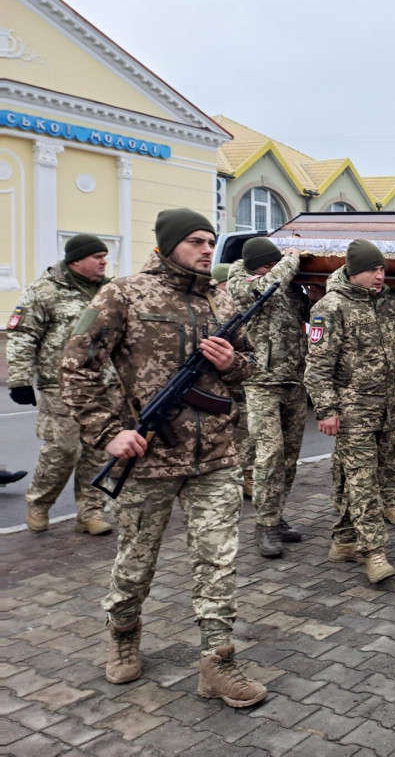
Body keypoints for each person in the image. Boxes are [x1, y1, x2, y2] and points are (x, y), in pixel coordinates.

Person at [60, 208, 267, 707]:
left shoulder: (221, 299)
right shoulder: (124, 294)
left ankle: (217, 662)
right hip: (149, 458)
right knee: (135, 562)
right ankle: (124, 632)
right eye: (196, 240)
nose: (205, 249)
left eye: (211, 241)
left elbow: (253, 364)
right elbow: (76, 366)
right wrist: (108, 433)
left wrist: (231, 363)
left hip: (215, 454)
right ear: (168, 243)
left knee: (219, 562)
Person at [304, 239, 395, 582]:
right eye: (373, 270)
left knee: (363, 475)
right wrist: (326, 409)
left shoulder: (389, 299)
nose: (380, 275)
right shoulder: (331, 307)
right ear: (353, 270)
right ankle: (373, 551)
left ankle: (344, 540)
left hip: (388, 407)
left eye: (382, 269)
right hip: (352, 411)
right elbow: (317, 367)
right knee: (362, 481)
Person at [7, 234, 114, 535]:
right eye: (98, 257)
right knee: (64, 449)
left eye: (105, 256)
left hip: (102, 384)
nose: (104, 262)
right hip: (60, 385)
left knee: (99, 450)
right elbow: (23, 335)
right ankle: (39, 503)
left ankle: (90, 512)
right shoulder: (44, 291)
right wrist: (19, 380)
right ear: (77, 260)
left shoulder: (109, 292)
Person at [228, 238, 311, 558]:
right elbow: (266, 288)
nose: (273, 268)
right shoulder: (241, 283)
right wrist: (288, 261)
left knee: (289, 458)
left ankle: (275, 517)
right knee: (269, 455)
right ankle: (264, 525)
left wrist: (313, 298)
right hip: (261, 383)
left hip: (293, 381)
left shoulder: (284, 283)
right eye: (268, 264)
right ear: (257, 265)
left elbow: (302, 313)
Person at [212, 263, 254, 498]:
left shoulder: (239, 310)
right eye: (225, 287)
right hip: (218, 386)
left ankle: (246, 476)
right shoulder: (213, 310)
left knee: (246, 430)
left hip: (241, 379)